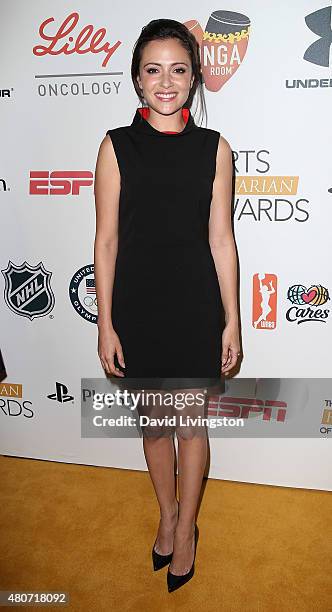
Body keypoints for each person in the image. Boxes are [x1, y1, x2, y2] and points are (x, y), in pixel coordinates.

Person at [94, 19, 241, 592]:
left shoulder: (214, 148)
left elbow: (222, 239)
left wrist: (231, 318)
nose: (166, 81)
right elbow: (106, 241)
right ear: (137, 77)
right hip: (140, 306)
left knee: (190, 424)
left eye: (179, 70)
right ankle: (168, 513)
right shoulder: (115, 146)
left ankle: (187, 533)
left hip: (195, 305)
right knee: (155, 424)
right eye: (153, 69)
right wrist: (105, 321)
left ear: (194, 79)